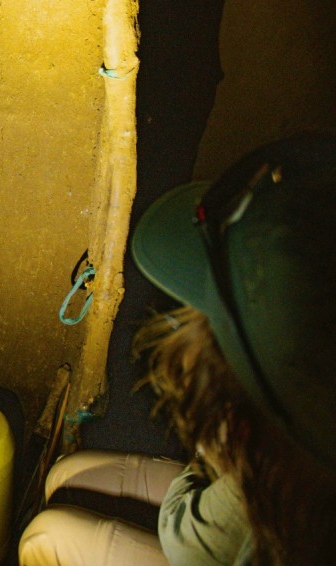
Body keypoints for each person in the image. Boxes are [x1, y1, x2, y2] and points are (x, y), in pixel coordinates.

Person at [18, 133, 336, 565]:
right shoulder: (302, 419)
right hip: (237, 487)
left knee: (45, 536)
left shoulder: (288, 474)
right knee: (65, 474)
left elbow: (185, 537)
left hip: (237, 524)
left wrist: (217, 444)